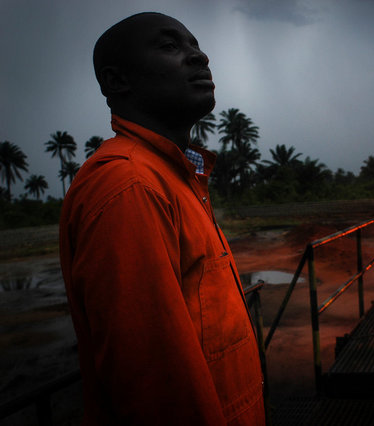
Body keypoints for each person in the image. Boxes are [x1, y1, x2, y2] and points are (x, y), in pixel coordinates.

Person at [59, 12, 265, 425]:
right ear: (117, 80)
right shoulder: (128, 185)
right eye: (171, 47)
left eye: (195, 45)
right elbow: (157, 386)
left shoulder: (174, 177)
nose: (200, 57)